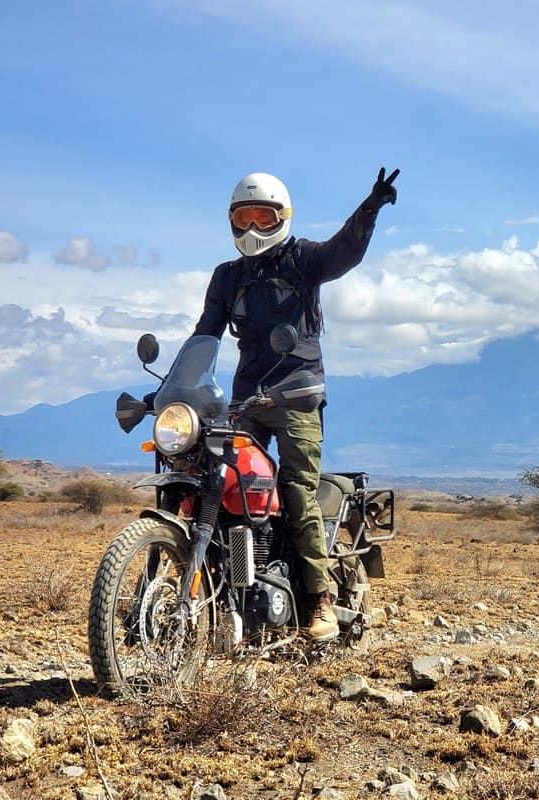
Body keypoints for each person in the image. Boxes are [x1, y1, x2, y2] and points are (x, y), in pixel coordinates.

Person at [192, 168, 400, 641]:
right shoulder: (227, 277)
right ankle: (227, 591)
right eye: (243, 218)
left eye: (262, 218)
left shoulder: (303, 260)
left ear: (282, 218)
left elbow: (343, 252)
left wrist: (369, 208)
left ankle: (320, 600)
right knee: (220, 484)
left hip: (297, 394)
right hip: (246, 398)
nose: (252, 228)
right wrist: (179, 387)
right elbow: (205, 335)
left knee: (296, 490)